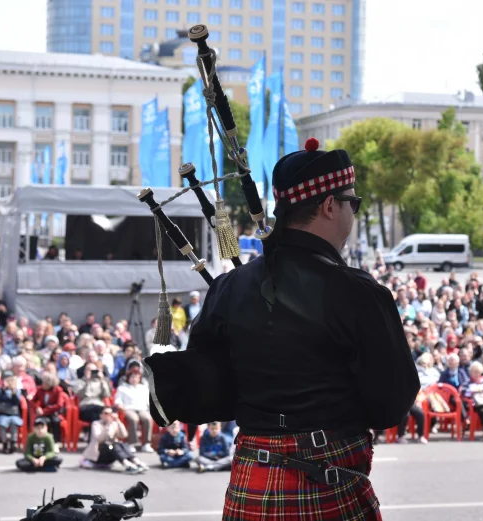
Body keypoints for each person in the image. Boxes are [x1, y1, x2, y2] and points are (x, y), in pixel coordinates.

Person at [145, 138, 419, 521]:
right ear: (328, 205)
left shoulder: (230, 285)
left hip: (251, 480)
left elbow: (212, 380)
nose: (353, 214)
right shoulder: (357, 292)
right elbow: (392, 402)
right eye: (351, 203)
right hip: (329, 481)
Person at [80, 407, 148, 474]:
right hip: (98, 455)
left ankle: (136, 462)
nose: (108, 415)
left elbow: (124, 435)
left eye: (110, 413)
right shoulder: (96, 424)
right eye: (106, 413)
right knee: (111, 445)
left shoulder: (114, 424)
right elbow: (99, 439)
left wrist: (118, 421)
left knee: (120, 444)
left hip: (111, 453)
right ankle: (127, 464)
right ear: (101, 415)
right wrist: (107, 426)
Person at [114, 369, 154, 452]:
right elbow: (118, 400)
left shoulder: (143, 388)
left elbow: (149, 401)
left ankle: (146, 443)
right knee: (133, 419)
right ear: (128, 378)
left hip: (142, 409)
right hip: (128, 409)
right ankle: (131, 443)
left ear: (139, 379)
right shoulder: (122, 388)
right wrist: (120, 405)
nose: (134, 379)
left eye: (136, 377)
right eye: (132, 377)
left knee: (147, 419)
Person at [0, 370, 24, 453]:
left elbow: (17, 401)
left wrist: (13, 392)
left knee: (14, 425)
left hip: (13, 413)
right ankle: (4, 443)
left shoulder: (16, 390)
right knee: (2, 426)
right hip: (2, 413)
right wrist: (3, 390)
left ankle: (13, 443)